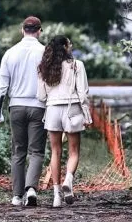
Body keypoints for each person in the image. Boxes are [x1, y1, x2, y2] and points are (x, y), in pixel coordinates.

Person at [0, 16, 46, 207]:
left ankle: (16, 196)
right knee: (37, 151)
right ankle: (31, 188)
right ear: (39, 31)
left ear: (22, 30)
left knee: (18, 152)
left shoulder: (10, 53)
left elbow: (1, 86)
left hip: (16, 106)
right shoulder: (44, 52)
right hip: (39, 106)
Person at [36, 36, 92, 207]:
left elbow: (41, 96)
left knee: (55, 151)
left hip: (52, 109)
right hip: (72, 109)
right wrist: (87, 116)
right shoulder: (77, 65)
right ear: (65, 47)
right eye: (70, 43)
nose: (72, 45)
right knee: (73, 151)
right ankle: (69, 180)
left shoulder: (43, 67)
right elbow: (82, 94)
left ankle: (56, 197)